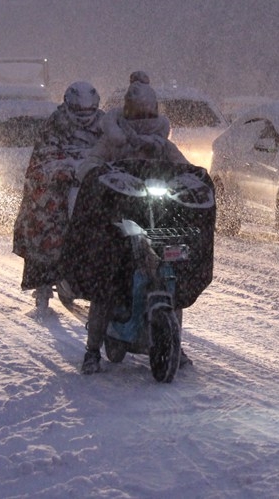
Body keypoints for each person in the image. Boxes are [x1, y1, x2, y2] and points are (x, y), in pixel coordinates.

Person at [75, 71, 191, 375]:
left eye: (147, 111)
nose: (142, 117)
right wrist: (94, 172)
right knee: (108, 277)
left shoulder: (162, 145)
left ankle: (174, 339)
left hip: (159, 217)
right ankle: (92, 349)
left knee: (175, 274)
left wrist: (194, 178)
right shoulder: (114, 140)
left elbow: (186, 168)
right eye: (137, 111)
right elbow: (91, 160)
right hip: (119, 219)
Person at [12, 81, 105, 313]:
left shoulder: (105, 124)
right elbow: (43, 159)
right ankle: (43, 280)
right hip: (58, 188)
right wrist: (63, 169)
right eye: (79, 112)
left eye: (88, 112)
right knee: (45, 222)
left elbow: (112, 149)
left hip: (93, 187)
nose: (84, 117)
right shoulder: (54, 125)